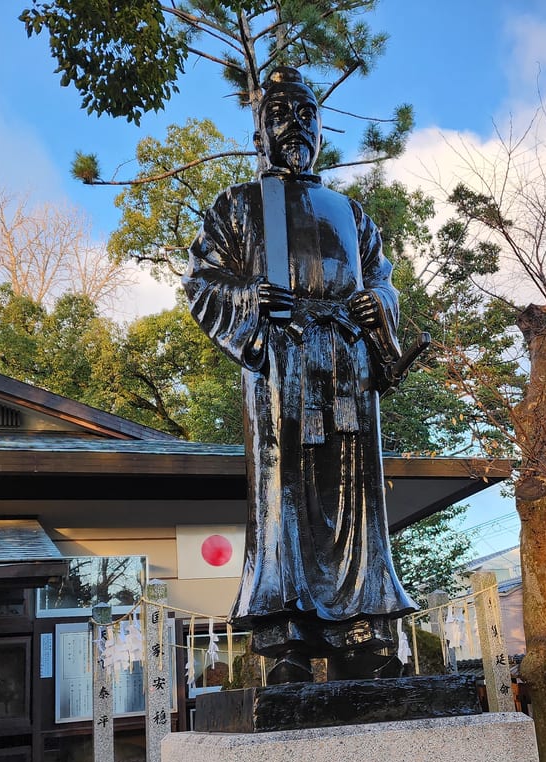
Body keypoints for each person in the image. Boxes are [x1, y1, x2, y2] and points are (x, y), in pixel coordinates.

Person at [183, 66, 418, 684]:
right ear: (259, 132)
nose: (298, 127)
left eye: (307, 116)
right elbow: (202, 281)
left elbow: (383, 281)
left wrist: (379, 307)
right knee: (284, 488)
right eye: (282, 115)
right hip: (280, 362)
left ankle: (361, 629)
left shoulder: (351, 212)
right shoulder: (237, 206)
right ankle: (286, 634)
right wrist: (250, 299)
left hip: (347, 364)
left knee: (355, 491)